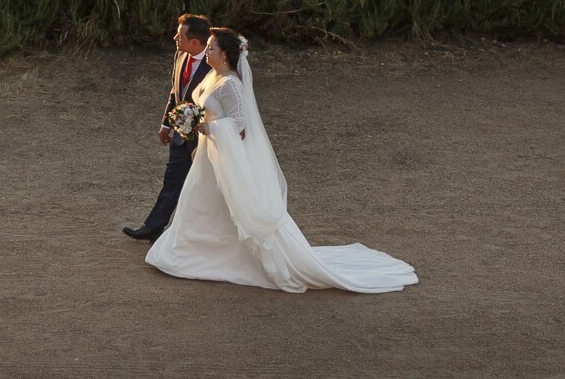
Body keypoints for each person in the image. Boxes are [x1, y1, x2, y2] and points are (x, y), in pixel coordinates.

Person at [146, 27, 418, 293]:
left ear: (225, 54)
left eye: (212, 48)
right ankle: (193, 251)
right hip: (210, 152)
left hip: (222, 152)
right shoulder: (212, 79)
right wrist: (194, 125)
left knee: (221, 202)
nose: (207, 51)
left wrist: (208, 128)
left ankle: (220, 257)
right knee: (203, 200)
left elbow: (240, 123)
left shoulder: (231, 84)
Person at [123, 14, 212, 241]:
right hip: (181, 134)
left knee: (207, 188)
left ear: (195, 42)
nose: (174, 37)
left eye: (180, 35)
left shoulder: (215, 64)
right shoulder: (180, 55)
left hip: (207, 137)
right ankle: (153, 227)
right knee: (172, 180)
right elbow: (175, 92)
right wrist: (167, 123)